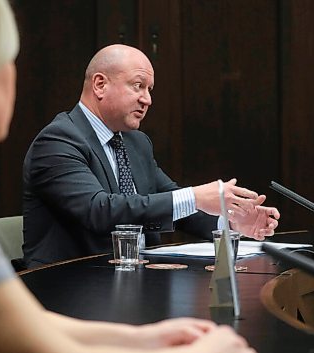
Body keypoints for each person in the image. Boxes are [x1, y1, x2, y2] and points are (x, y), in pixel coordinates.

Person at [0, 0, 257, 353]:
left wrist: (144, 338)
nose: (147, 99)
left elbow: (26, 324)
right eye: (11, 61)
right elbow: (43, 351)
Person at [22, 44, 280, 268]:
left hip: (137, 279)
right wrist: (195, 196)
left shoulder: (136, 142)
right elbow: (99, 210)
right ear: (100, 85)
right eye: (138, 86)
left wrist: (232, 222)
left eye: (149, 89)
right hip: (71, 286)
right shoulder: (58, 141)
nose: (147, 100)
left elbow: (173, 205)